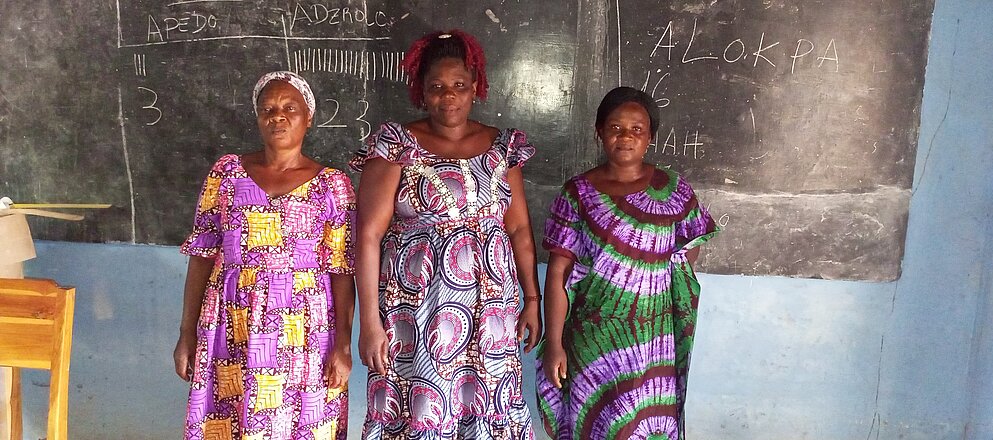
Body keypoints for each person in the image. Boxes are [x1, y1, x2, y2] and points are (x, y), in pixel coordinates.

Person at [350, 29, 542, 439]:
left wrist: (532, 299)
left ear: (475, 87)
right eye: (436, 87)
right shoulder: (396, 144)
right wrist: (369, 322)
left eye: (459, 85)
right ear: (421, 91)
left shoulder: (502, 146)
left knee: (487, 400)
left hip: (491, 308)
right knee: (421, 405)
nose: (448, 96)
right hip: (415, 309)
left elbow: (520, 228)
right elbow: (367, 234)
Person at [173, 71, 356, 440]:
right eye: (268, 109)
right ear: (257, 117)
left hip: (304, 328)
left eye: (290, 108)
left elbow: (341, 270)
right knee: (229, 420)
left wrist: (342, 343)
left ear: (309, 117)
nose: (278, 116)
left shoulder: (332, 185)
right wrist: (186, 333)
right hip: (231, 320)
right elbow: (202, 255)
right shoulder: (226, 174)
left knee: (300, 423)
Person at [536, 86, 719, 440]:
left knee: (645, 426)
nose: (625, 137)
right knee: (596, 423)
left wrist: (648, 272)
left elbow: (689, 249)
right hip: (593, 338)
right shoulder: (577, 194)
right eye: (615, 127)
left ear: (650, 137)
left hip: (653, 341)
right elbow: (558, 271)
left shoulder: (673, 189)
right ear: (599, 132)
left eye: (637, 129)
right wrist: (554, 343)